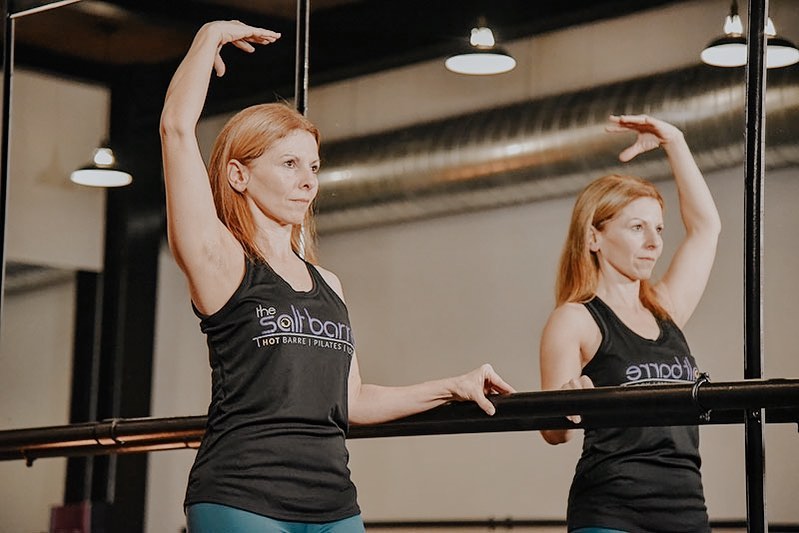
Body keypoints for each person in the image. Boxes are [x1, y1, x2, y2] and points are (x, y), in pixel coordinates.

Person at [160, 20, 515, 533]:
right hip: (242, 496)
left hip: (334, 503)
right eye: (288, 164)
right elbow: (175, 127)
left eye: (314, 166)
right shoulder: (221, 261)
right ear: (238, 175)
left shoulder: (328, 283)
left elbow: (353, 400)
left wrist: (452, 387)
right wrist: (208, 36)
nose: (307, 181)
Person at [538, 114, 721, 533]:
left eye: (658, 228)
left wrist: (674, 140)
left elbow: (706, 228)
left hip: (686, 508)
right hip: (612, 510)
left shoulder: (666, 309)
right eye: (637, 228)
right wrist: (567, 405)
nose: (654, 242)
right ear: (594, 238)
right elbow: (553, 433)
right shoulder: (575, 319)